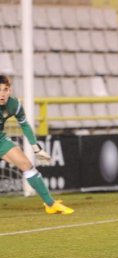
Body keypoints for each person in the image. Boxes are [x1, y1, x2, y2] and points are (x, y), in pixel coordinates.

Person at [0, 75, 73, 214]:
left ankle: (50, 204)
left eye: (5, 89)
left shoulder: (14, 105)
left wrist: (36, 148)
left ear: (10, 90)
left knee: (27, 165)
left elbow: (24, 125)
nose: (2, 94)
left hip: (0, 140)